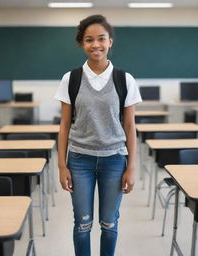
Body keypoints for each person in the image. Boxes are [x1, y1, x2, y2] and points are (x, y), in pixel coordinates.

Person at [55, 14, 142, 256]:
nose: (96, 45)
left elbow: (130, 126)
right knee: (82, 224)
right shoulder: (70, 79)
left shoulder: (124, 79)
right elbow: (64, 125)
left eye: (101, 39)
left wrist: (132, 167)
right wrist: (62, 165)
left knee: (109, 223)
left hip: (114, 160)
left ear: (110, 42)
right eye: (89, 40)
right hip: (79, 160)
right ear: (82, 44)